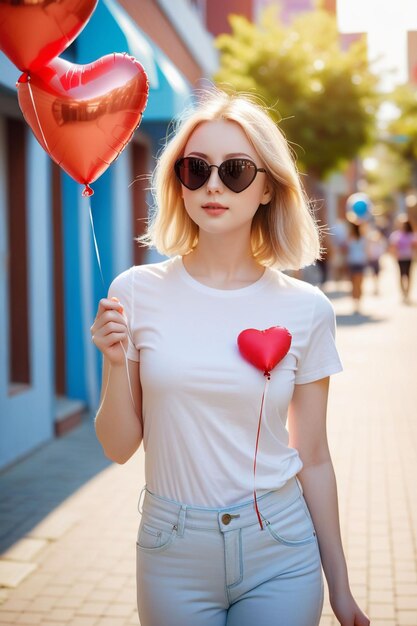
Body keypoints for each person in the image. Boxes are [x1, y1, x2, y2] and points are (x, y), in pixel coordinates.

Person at [91, 90, 370, 626]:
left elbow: (312, 455)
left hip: (281, 548)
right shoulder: (134, 292)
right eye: (195, 169)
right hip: (172, 550)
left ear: (267, 187)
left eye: (236, 170)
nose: (213, 184)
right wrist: (113, 360)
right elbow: (118, 448)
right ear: (179, 182)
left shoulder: (307, 308)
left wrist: (341, 586)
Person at [388, 217, 417, 304]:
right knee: (401, 275)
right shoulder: (396, 235)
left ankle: (407, 293)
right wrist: (394, 255)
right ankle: (403, 292)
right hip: (400, 257)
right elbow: (392, 246)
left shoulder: (411, 235)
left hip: (409, 257)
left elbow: (414, 246)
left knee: (408, 275)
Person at [346, 222, 367, 314]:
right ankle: (357, 302)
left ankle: (356, 302)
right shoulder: (362, 239)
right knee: (358, 284)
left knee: (355, 284)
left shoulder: (351, 239)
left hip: (354, 262)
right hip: (359, 262)